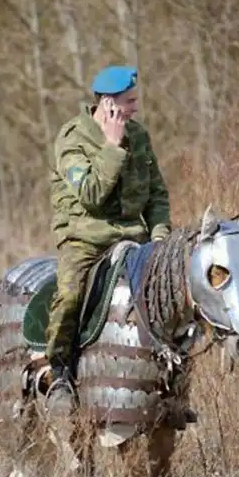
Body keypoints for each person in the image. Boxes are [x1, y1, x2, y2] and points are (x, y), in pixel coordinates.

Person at [45, 64, 172, 388]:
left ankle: (169, 375)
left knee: (173, 291)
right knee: (70, 296)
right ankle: (59, 372)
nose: (136, 107)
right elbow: (91, 195)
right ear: (108, 104)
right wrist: (113, 148)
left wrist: (160, 235)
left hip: (134, 236)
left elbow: (156, 193)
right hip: (85, 238)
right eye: (130, 101)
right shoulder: (73, 138)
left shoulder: (139, 136)